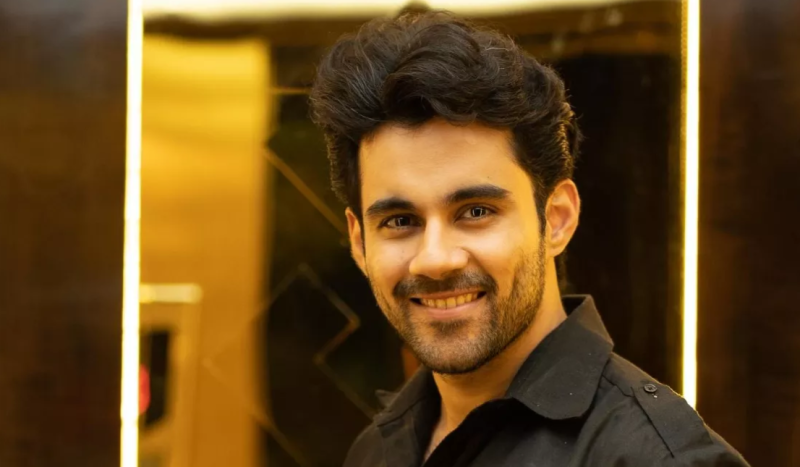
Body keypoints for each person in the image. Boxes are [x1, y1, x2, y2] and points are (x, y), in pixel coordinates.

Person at [309, 11, 749, 467]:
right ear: (359, 242)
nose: (435, 259)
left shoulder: (658, 460)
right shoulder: (377, 450)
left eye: (476, 212)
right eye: (400, 221)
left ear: (556, 219)